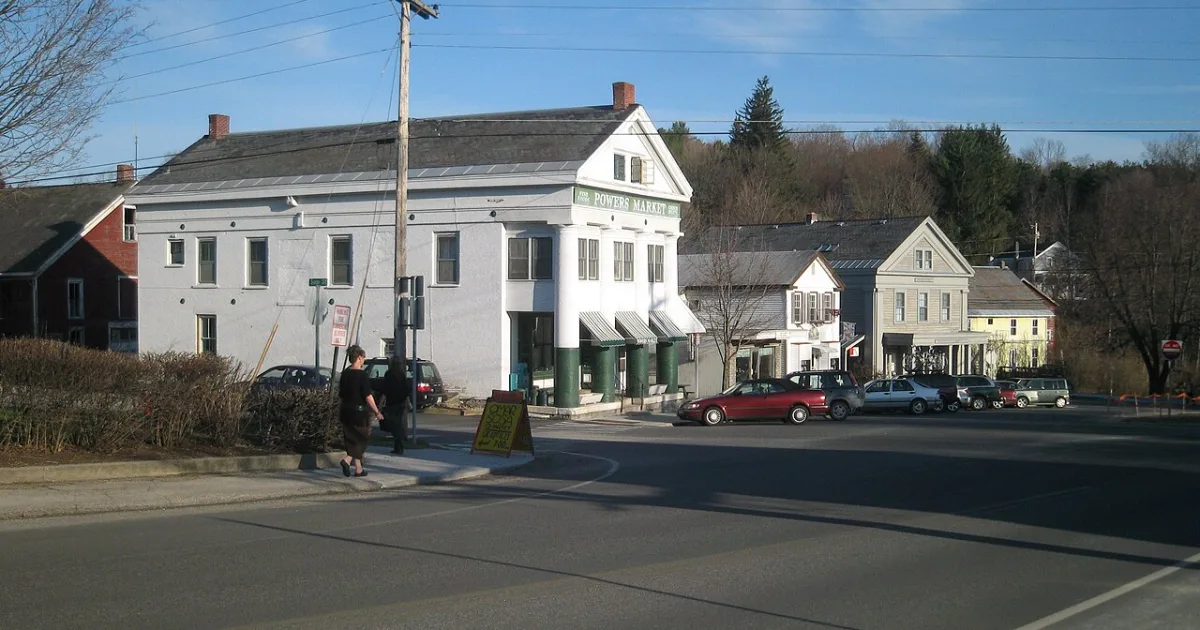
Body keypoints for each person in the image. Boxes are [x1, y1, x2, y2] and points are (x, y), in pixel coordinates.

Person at [338, 345, 383, 477]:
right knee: (361, 439)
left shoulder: (345, 374)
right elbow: (367, 396)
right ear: (359, 357)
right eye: (363, 358)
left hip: (346, 411)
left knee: (351, 439)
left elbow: (341, 394)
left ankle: (358, 469)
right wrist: (377, 412)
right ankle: (346, 461)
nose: (363, 360)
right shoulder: (362, 375)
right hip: (359, 413)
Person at [381, 356, 410, 453]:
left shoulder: (389, 374)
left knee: (393, 425)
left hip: (392, 402)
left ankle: (399, 445)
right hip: (400, 402)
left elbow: (385, 389)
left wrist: (381, 402)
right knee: (398, 424)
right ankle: (399, 445)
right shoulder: (401, 374)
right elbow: (406, 389)